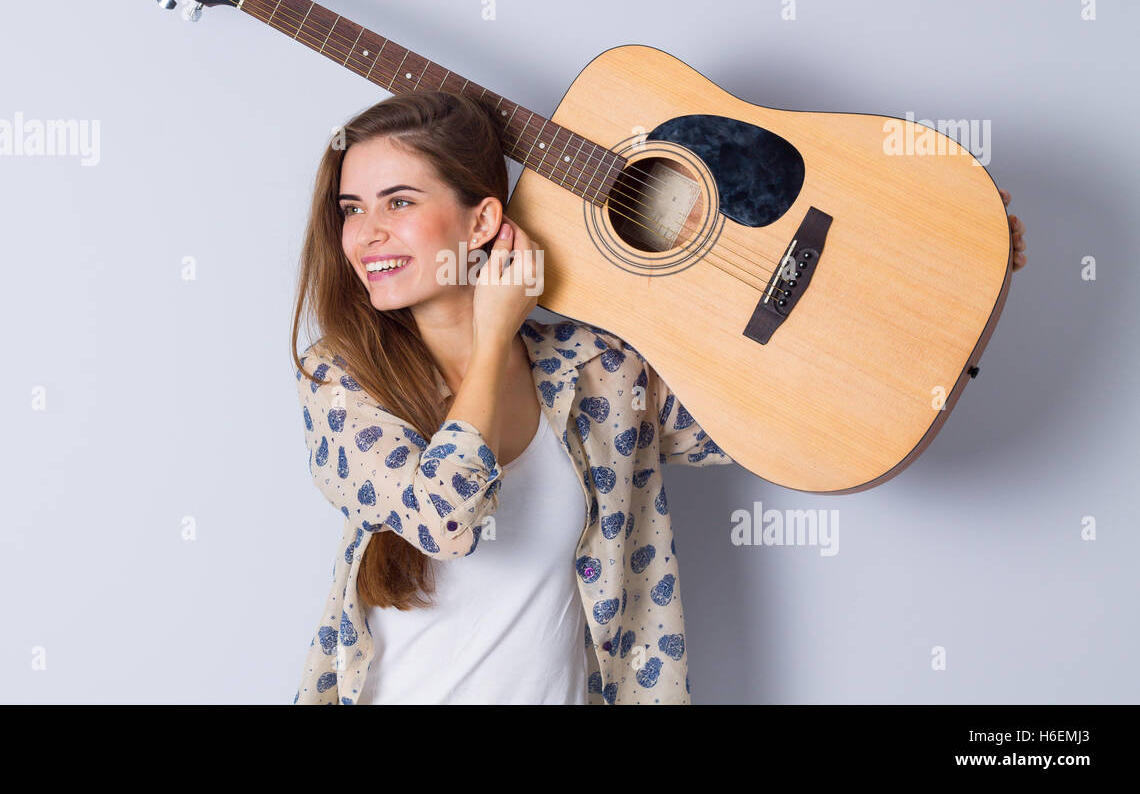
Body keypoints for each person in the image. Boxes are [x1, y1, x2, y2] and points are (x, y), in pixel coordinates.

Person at [288, 91, 1026, 705]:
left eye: (398, 200)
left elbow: (800, 410)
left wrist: (946, 286)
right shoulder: (340, 379)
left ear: (482, 221)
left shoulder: (601, 372)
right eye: (352, 207)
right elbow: (444, 519)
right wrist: (491, 341)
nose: (366, 232)